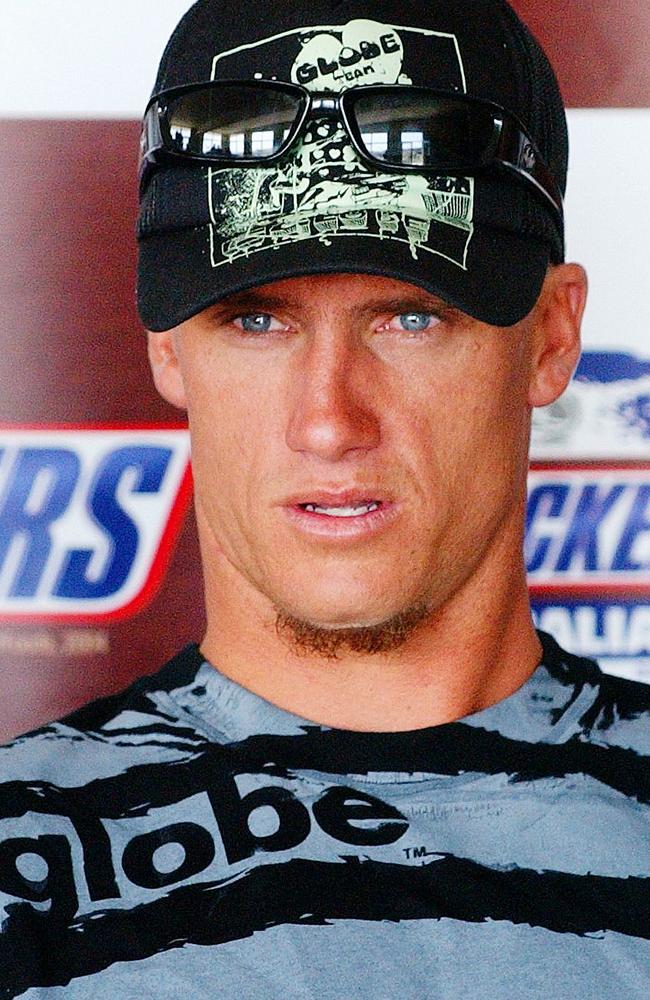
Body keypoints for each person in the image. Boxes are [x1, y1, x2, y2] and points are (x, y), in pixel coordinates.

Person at [1, 1, 649, 996]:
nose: (328, 420)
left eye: (407, 315)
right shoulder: (22, 862)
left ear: (551, 337)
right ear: (165, 344)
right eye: (256, 320)